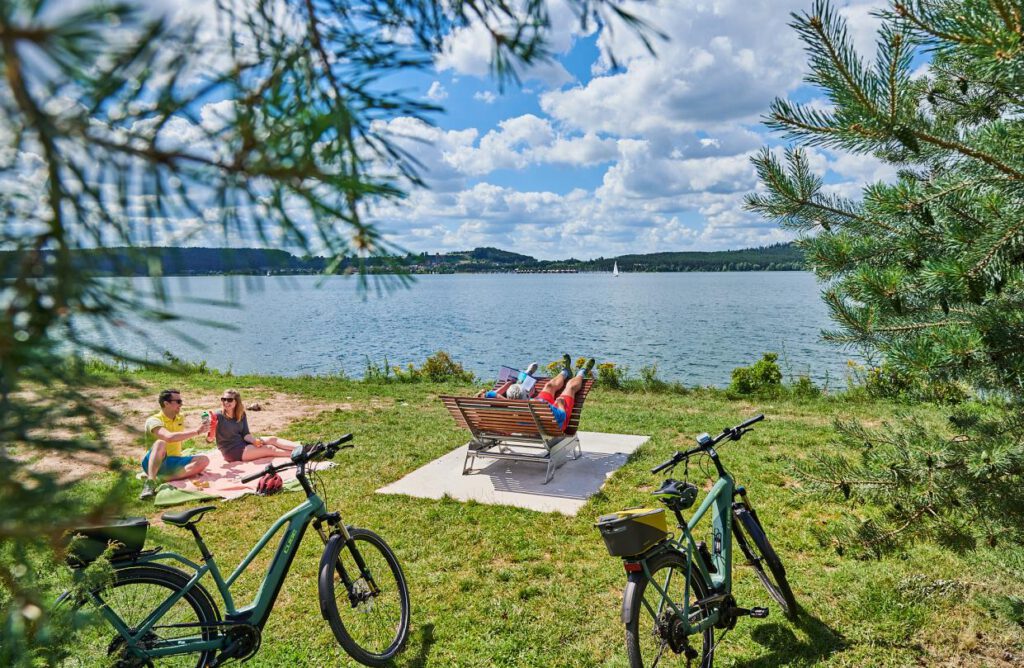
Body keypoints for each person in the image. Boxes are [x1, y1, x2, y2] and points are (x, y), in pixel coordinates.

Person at [139, 389, 211, 500]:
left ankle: (165, 478)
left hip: (175, 461)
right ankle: (150, 482)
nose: (181, 404)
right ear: (166, 403)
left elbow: (179, 436)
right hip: (155, 462)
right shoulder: (153, 421)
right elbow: (169, 437)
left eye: (181, 401)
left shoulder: (180, 417)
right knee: (160, 443)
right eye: (178, 401)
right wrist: (197, 432)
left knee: (204, 460)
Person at [212, 389, 300, 462]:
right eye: (223, 399)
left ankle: (304, 448)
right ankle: (300, 454)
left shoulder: (241, 414)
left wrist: (253, 441)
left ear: (236, 402)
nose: (226, 402)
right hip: (231, 451)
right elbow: (209, 434)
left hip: (242, 442)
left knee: (272, 439)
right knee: (270, 449)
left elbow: (245, 433)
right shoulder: (218, 415)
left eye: (229, 400)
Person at [535, 355, 595, 430]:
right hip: (553, 424)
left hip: (536, 408)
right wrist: (560, 405)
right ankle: (581, 373)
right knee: (570, 388)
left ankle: (565, 372)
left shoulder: (517, 407)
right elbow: (562, 417)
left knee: (549, 386)